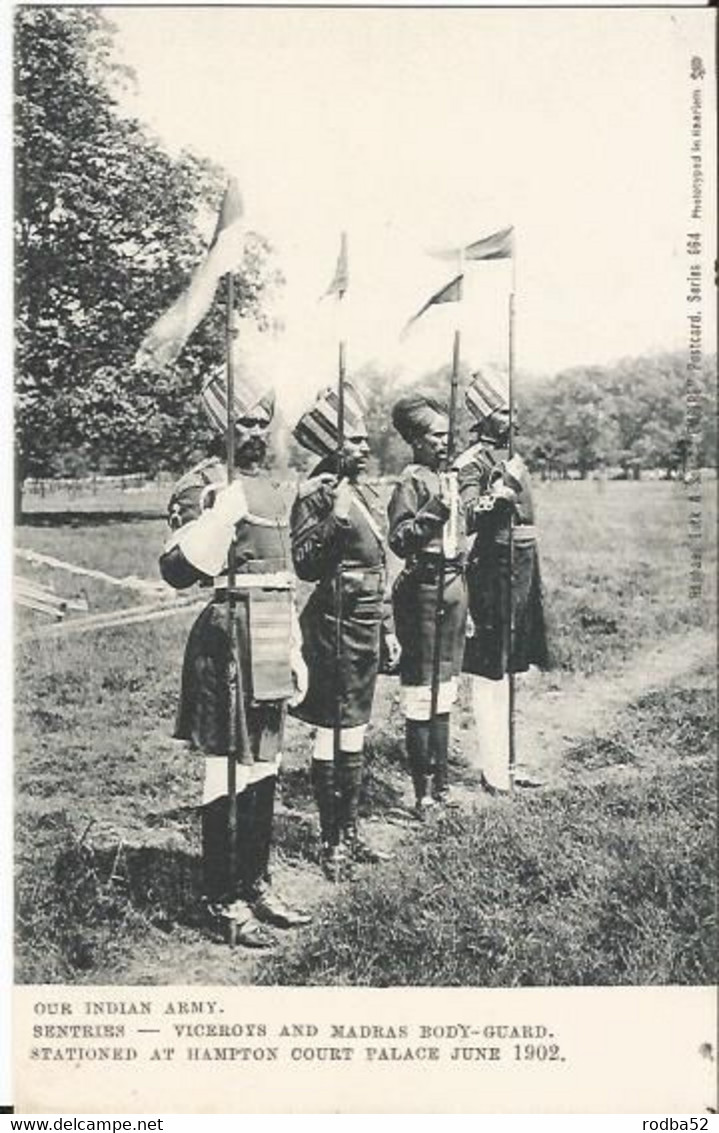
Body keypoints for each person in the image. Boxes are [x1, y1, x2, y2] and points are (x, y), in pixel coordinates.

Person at [159, 365, 310, 947]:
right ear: (217, 423)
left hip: (273, 630)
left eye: (260, 422)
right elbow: (175, 571)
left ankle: (255, 881)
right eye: (241, 421)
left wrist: (294, 645)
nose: (252, 431)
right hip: (227, 633)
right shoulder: (201, 485)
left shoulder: (273, 486)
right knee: (224, 765)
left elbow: (283, 576)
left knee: (266, 762)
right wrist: (217, 516)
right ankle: (221, 898)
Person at [290, 383, 399, 879]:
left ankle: (350, 833)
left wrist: (388, 627)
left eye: (362, 439)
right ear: (331, 445)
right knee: (332, 729)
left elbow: (377, 565)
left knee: (354, 729)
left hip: (365, 621)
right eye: (353, 440)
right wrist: (333, 518)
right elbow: (307, 564)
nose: (364, 448)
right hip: (332, 624)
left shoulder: (363, 492)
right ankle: (331, 840)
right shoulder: (316, 495)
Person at [456, 371, 548, 794]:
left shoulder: (514, 457)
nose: (511, 418)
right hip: (493, 568)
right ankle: (493, 769)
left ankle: (510, 762)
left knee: (512, 670)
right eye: (502, 411)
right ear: (483, 418)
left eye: (512, 409)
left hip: (523, 566)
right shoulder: (471, 461)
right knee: (491, 668)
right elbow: (468, 514)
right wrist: (502, 495)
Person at [387, 392, 468, 818]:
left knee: (446, 692)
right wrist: (432, 514)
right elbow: (399, 540)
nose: (444, 443)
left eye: (447, 435)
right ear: (417, 441)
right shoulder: (411, 482)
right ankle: (423, 793)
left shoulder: (449, 477)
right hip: (422, 590)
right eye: (436, 436)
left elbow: (463, 535)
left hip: (455, 587)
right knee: (422, 693)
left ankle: (444, 784)